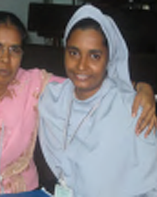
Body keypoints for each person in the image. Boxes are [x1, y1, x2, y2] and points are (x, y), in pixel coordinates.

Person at [0, 10, 156, 197]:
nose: (5, 59)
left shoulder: (33, 84)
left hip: (25, 192)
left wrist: (141, 87)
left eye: (14, 50)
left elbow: (88, 82)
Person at [38, 4, 157, 197]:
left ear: (109, 59)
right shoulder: (52, 98)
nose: (81, 65)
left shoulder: (133, 110)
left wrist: (145, 89)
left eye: (94, 56)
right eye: (74, 53)